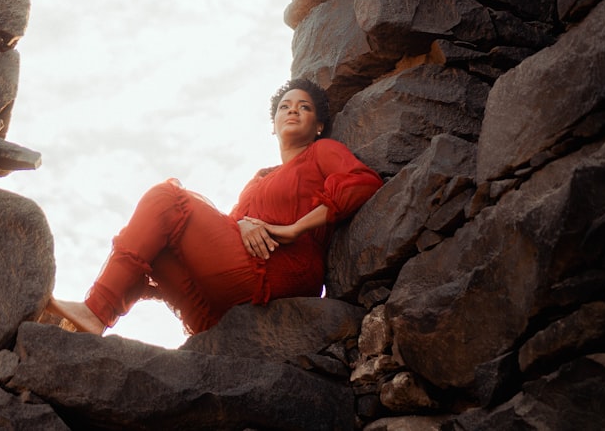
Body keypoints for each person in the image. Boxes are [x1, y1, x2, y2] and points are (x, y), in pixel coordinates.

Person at [47, 77, 383, 335]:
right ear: (274, 125)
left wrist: (296, 227)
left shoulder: (320, 152)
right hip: (227, 292)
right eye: (285, 106)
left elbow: (362, 182)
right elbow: (228, 229)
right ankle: (103, 311)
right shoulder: (259, 178)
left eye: (304, 107)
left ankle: (98, 309)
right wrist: (242, 224)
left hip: (283, 269)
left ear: (319, 125)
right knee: (156, 245)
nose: (293, 110)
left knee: (166, 200)